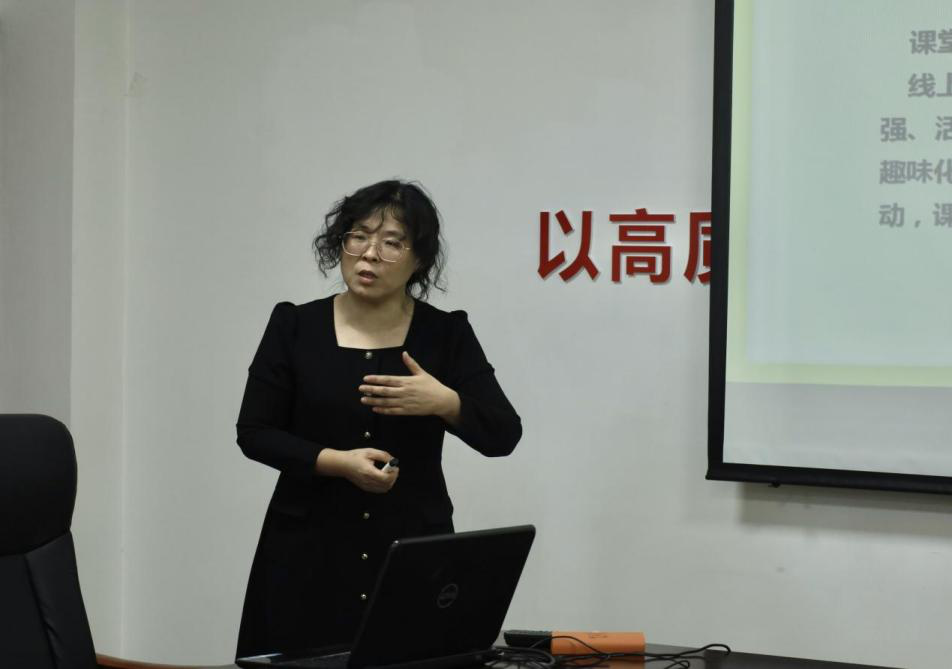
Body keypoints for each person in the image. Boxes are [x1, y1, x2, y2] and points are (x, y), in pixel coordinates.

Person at [234, 180, 522, 658]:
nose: (369, 254)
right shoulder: (294, 326)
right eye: (358, 236)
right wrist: (336, 462)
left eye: (392, 243)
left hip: (412, 549)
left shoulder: (445, 333)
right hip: (308, 548)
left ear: (419, 259)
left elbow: (503, 434)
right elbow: (255, 432)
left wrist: (445, 402)